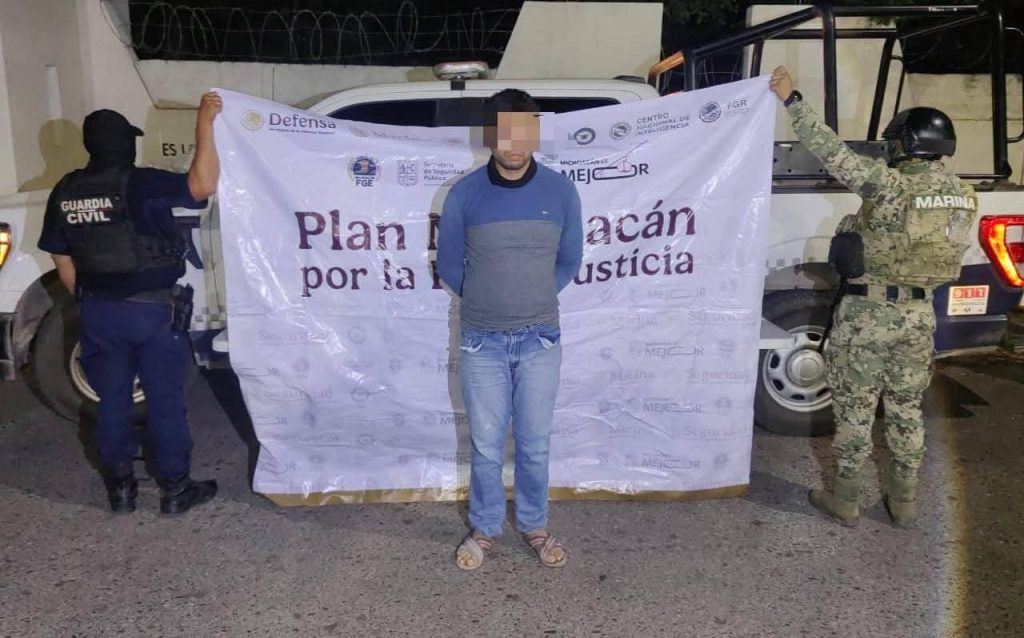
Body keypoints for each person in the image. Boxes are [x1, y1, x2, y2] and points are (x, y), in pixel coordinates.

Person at [769, 67, 975, 528]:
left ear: (906, 144)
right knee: (905, 410)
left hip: (868, 314)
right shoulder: (964, 195)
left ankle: (845, 499)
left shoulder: (890, 185)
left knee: (855, 407)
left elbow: (832, 153)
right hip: (918, 315)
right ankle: (904, 503)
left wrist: (792, 100)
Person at [37, 93, 223, 515]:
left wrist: (91, 298)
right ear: (126, 144)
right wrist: (205, 121)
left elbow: (60, 256)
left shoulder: (66, 190)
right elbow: (203, 184)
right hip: (152, 313)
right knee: (164, 400)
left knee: (113, 401)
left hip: (98, 312)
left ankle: (121, 490)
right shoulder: (143, 183)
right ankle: (175, 489)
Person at [437, 89, 583, 569]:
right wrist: (488, 300)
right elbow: (449, 266)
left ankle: (535, 525)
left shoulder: (561, 192)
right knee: (485, 445)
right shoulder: (464, 194)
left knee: (535, 443)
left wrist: (532, 295)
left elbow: (569, 260)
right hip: (481, 341)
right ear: (489, 136)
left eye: (524, 132)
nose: (514, 144)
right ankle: (484, 529)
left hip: (541, 339)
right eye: (504, 132)